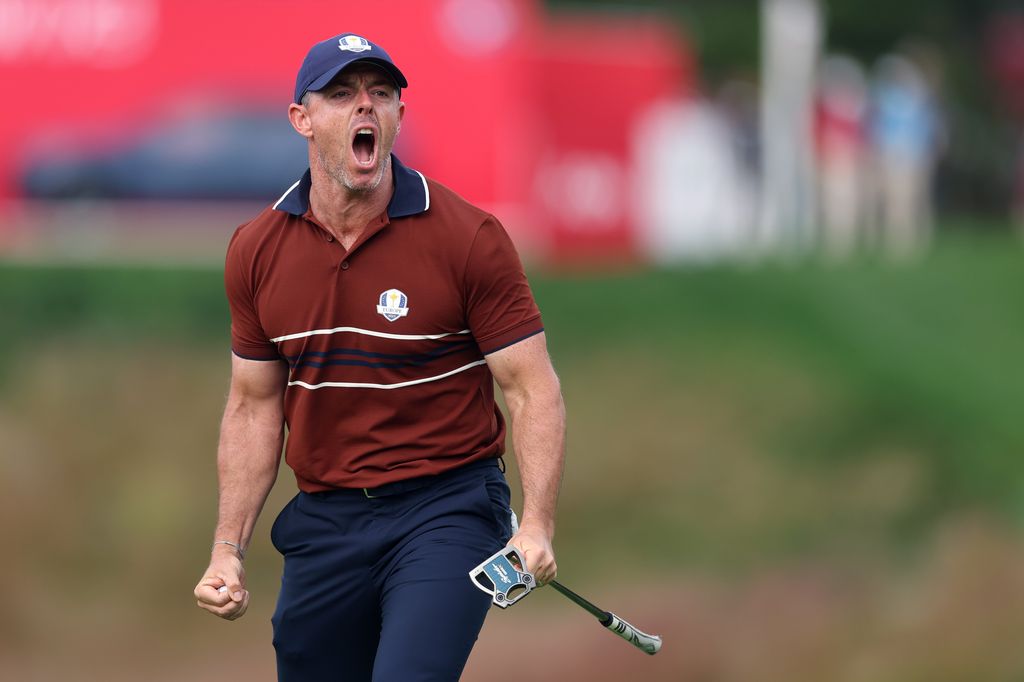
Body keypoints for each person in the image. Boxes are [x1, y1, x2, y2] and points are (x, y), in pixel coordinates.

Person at [192, 33, 566, 681]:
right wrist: (228, 552)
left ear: (398, 115)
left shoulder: (469, 238)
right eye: (342, 95)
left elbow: (533, 390)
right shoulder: (255, 249)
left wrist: (535, 525)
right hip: (327, 518)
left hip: (446, 509)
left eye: (382, 95)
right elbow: (253, 409)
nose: (365, 108)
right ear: (301, 119)